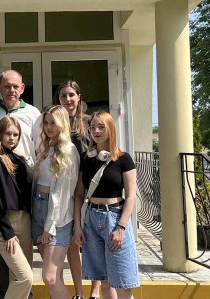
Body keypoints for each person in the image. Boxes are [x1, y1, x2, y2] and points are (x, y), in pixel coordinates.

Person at [0, 70, 42, 299]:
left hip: (23, 193)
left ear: (22, 88)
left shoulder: (33, 113)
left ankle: (23, 294)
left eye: (15, 86)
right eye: (6, 85)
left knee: (23, 254)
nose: (11, 90)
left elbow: (41, 151)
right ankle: (1, 291)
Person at [73, 111, 139, 299]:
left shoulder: (124, 159)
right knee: (104, 281)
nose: (96, 131)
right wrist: (78, 226)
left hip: (115, 218)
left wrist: (121, 227)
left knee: (122, 283)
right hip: (92, 220)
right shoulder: (86, 158)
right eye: (93, 127)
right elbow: (79, 194)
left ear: (110, 129)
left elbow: (131, 196)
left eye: (101, 127)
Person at [55, 81, 101, 299]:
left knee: (92, 242)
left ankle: (95, 291)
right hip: (66, 188)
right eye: (63, 95)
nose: (68, 99)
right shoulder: (57, 123)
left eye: (71, 94)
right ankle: (79, 292)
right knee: (73, 244)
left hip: (89, 187)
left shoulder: (90, 122)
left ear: (79, 97)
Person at [0, 117, 34, 299]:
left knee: (18, 278)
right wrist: (7, 232)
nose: (12, 138)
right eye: (8, 134)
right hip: (4, 222)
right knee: (25, 277)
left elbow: (29, 184)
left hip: (24, 219)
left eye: (15, 135)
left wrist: (24, 160)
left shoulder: (17, 159)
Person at [32, 105, 79, 299]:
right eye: (46, 122)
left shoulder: (69, 150)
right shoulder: (45, 147)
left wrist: (50, 225)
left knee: (49, 277)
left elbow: (62, 193)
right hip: (38, 208)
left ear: (63, 124)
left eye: (53, 123)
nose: (49, 127)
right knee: (55, 275)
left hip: (57, 216)